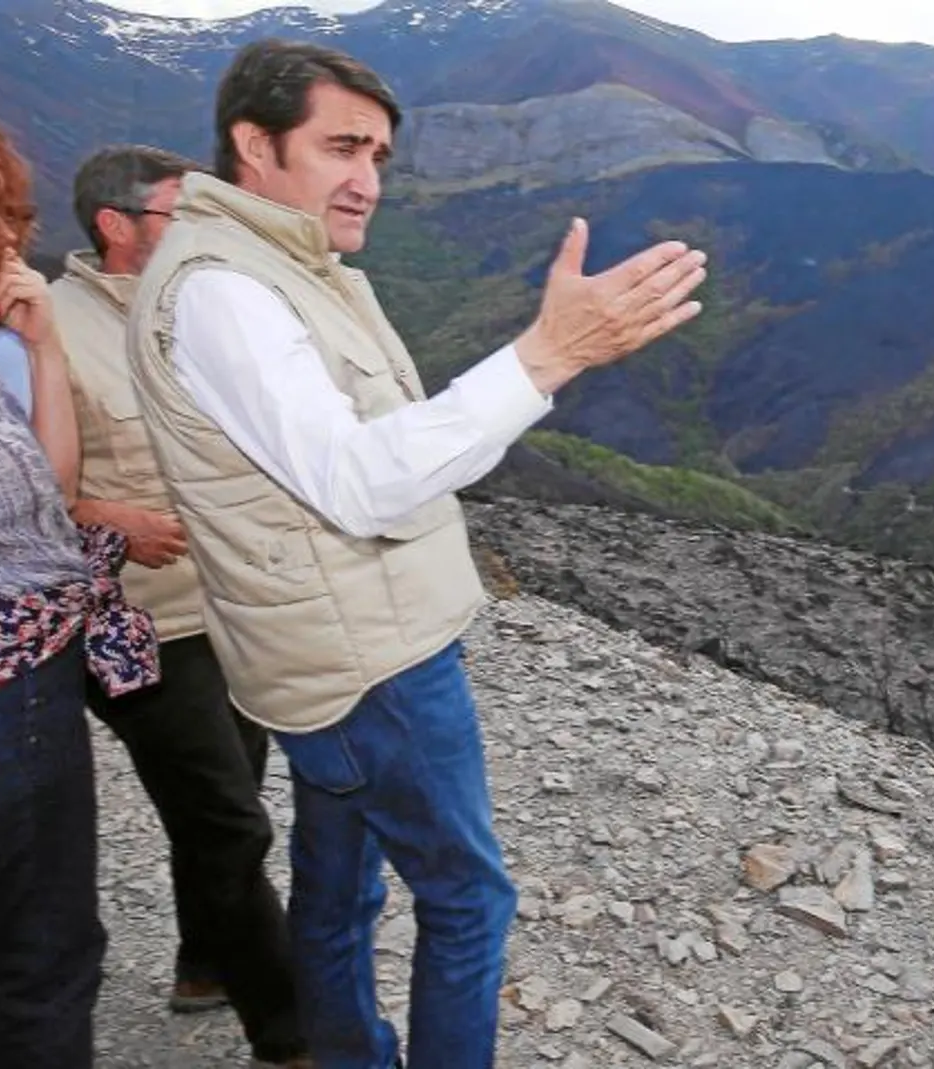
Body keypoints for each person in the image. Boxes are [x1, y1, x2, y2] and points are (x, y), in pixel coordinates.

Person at [123, 37, 706, 1069]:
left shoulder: (275, 265)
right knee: (468, 898)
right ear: (254, 144)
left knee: (340, 887)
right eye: (342, 146)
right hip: (369, 657)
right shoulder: (225, 292)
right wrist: (550, 352)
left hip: (333, 643)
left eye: (381, 155)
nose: (368, 180)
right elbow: (358, 482)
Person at [0, 87, 159, 1067]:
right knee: (40, 956)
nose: (17, 231)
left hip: (21, 691)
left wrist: (44, 347)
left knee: (26, 947)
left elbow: (52, 493)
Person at [49, 145, 308, 1067]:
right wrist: (104, 518)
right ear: (116, 227)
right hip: (140, 623)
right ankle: (290, 1037)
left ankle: (205, 963)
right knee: (232, 821)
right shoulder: (43, 331)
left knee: (225, 798)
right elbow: (6, 498)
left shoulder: (198, 307)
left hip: (232, 601)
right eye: (178, 217)